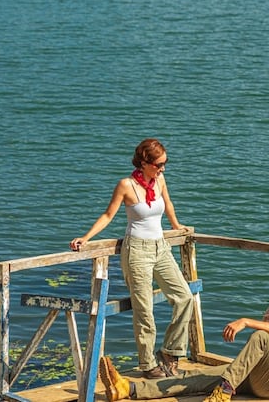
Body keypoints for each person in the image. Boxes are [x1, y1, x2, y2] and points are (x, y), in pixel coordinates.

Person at [98, 263, 269, 402]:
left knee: (261, 337)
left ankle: (223, 393)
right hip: (254, 374)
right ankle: (129, 388)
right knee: (196, 379)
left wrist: (246, 321)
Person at [70, 138, 193, 379]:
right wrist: (86, 237)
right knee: (144, 310)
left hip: (161, 247)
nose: (163, 168)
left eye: (165, 163)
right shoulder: (126, 185)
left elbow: (167, 204)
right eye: (159, 164)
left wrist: (177, 226)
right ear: (144, 162)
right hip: (137, 251)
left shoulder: (160, 180)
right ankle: (148, 365)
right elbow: (108, 215)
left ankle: (170, 352)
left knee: (185, 297)